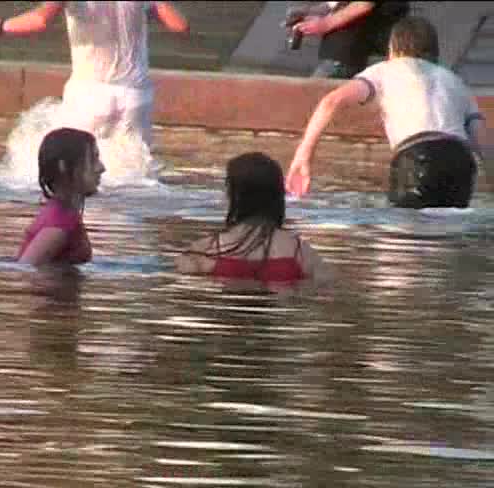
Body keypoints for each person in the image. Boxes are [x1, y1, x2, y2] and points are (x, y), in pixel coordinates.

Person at [286, 16, 489, 209]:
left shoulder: (383, 70)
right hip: (461, 162)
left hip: (417, 156)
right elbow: (484, 143)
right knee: (449, 227)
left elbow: (331, 101)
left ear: (393, 48)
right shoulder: (455, 82)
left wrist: (303, 156)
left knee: (407, 229)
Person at [0, 2, 189, 149]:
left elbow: (40, 20)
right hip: (136, 96)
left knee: (69, 168)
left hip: (90, 94)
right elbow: (179, 26)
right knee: (132, 175)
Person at [175, 152, 329, 284]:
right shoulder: (300, 252)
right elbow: (326, 285)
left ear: (234, 195)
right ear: (278, 195)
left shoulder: (205, 251)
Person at [17, 127, 104, 265]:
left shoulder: (63, 215)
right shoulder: (61, 223)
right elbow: (26, 268)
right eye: (93, 160)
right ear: (63, 167)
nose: (101, 168)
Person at [288, 1, 409, 79]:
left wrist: (325, 24)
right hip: (342, 51)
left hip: (353, 48)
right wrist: (314, 12)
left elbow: (364, 4)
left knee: (317, 96)